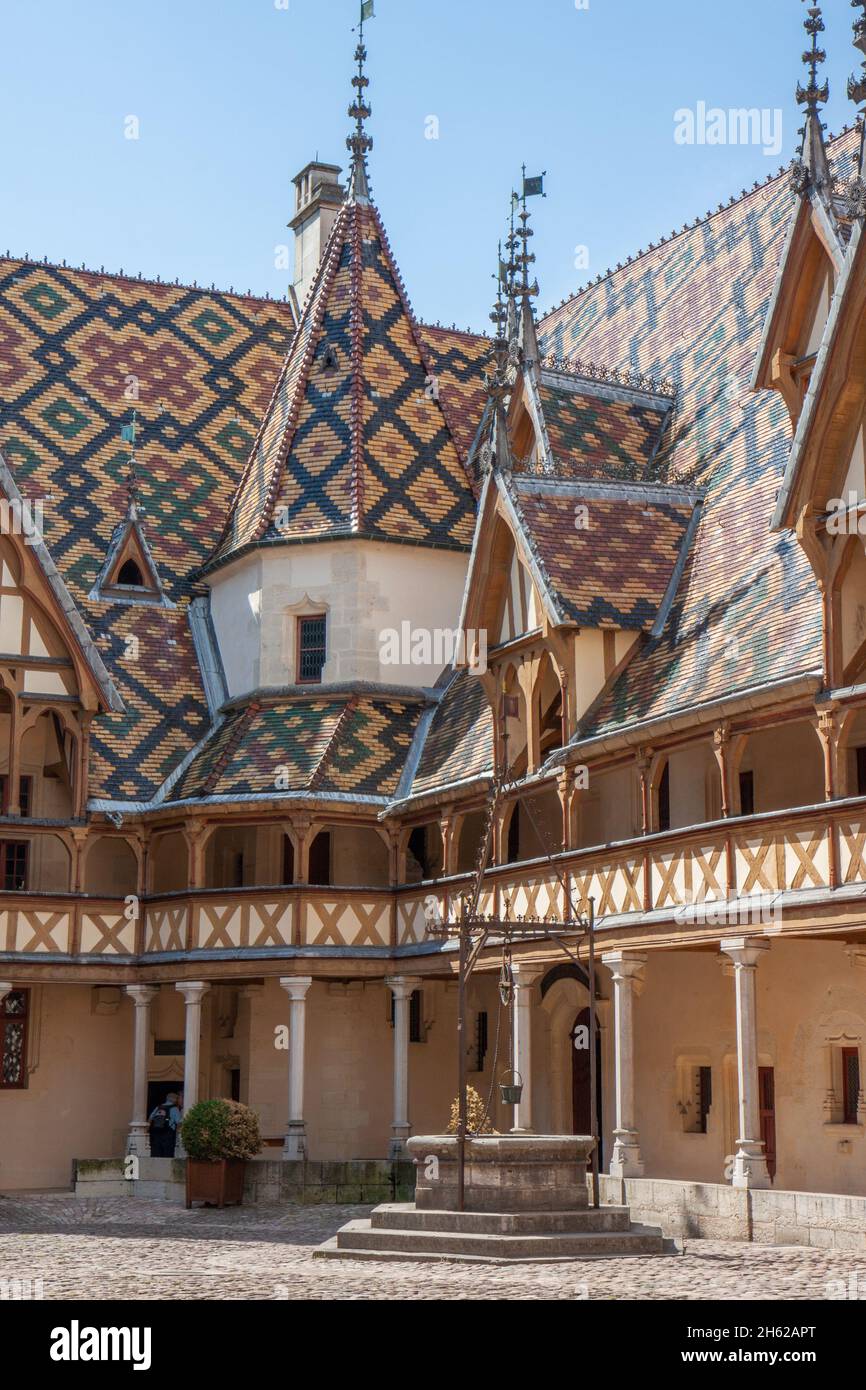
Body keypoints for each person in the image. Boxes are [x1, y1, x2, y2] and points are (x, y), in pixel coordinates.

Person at [149, 1092, 180, 1157]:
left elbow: (150, 1118)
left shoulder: (158, 1107)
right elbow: (178, 1122)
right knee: (168, 1151)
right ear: (175, 1100)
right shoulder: (174, 1108)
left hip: (157, 1131)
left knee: (157, 1150)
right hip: (168, 1132)